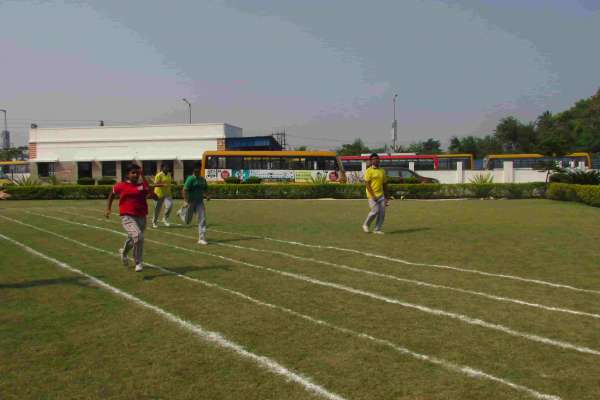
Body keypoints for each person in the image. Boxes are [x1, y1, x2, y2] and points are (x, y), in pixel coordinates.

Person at [105, 163, 155, 272]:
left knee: (134, 238)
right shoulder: (120, 186)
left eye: (138, 173)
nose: (136, 175)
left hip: (141, 216)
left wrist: (146, 181)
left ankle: (123, 252)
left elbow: (152, 194)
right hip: (127, 216)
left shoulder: (142, 186)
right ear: (127, 174)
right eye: (133, 173)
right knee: (138, 236)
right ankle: (138, 262)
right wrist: (108, 208)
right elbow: (112, 194)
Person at [178, 161, 210, 245]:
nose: (197, 170)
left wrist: (207, 195)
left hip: (199, 202)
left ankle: (201, 238)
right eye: (196, 168)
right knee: (187, 221)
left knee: (202, 219)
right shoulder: (190, 178)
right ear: (193, 169)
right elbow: (184, 190)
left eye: (199, 168)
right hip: (191, 202)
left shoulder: (202, 179)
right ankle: (181, 212)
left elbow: (205, 188)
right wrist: (185, 201)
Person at [362, 153, 389, 234]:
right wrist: (373, 195)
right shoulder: (369, 171)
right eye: (373, 159)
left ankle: (377, 229)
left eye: (377, 159)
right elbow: (367, 184)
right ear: (371, 161)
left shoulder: (382, 171)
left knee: (382, 213)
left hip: (381, 195)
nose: (376, 160)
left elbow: (385, 184)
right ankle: (366, 225)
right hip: (371, 195)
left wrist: (387, 197)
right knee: (375, 211)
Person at [152, 163, 173, 228]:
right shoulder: (159, 175)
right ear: (162, 168)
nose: (167, 168)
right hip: (158, 194)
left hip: (167, 194)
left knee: (170, 206)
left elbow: (169, 183)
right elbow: (155, 184)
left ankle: (165, 219)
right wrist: (163, 185)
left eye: (168, 167)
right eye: (165, 167)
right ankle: (154, 222)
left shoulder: (169, 174)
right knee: (157, 209)